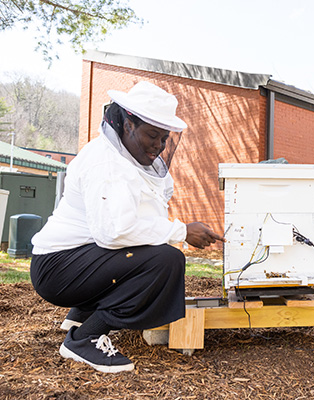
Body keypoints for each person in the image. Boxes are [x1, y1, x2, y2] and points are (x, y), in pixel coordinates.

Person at [30, 81, 225, 373]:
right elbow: (114, 232)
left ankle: (82, 312)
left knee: (154, 251)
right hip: (57, 268)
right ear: (128, 124)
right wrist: (182, 231)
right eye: (152, 135)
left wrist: (175, 230)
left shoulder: (131, 160)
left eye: (163, 138)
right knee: (165, 260)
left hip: (76, 260)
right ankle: (85, 338)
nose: (158, 146)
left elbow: (149, 212)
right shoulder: (105, 164)